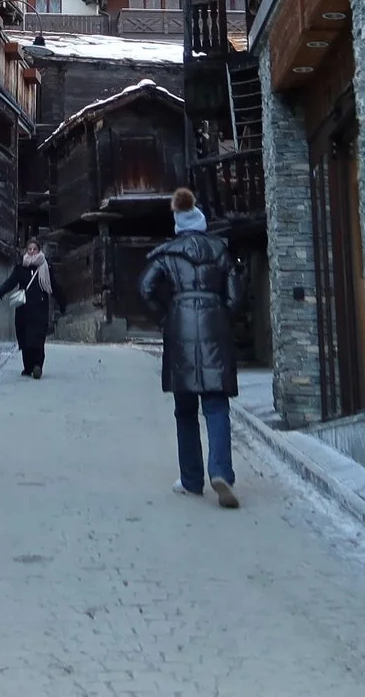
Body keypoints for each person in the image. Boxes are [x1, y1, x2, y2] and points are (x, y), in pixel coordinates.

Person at [138, 186, 241, 507]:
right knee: (216, 405)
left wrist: (166, 316)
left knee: (185, 411)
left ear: (178, 225)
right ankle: (221, 472)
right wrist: (221, 317)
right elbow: (235, 297)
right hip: (214, 326)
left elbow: (145, 288)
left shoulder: (168, 253)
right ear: (201, 221)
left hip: (180, 326)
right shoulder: (220, 251)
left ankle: (191, 480)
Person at [0, 236, 58, 378]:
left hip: (40, 309)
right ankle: (28, 367)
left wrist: (62, 302)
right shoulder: (21, 267)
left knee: (38, 339)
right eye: (30, 249)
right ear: (26, 251)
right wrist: (1, 291)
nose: (32, 251)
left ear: (39, 251)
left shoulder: (45, 267)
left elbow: (54, 285)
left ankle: (37, 366)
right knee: (24, 338)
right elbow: (11, 281)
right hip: (24, 309)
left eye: (35, 249)